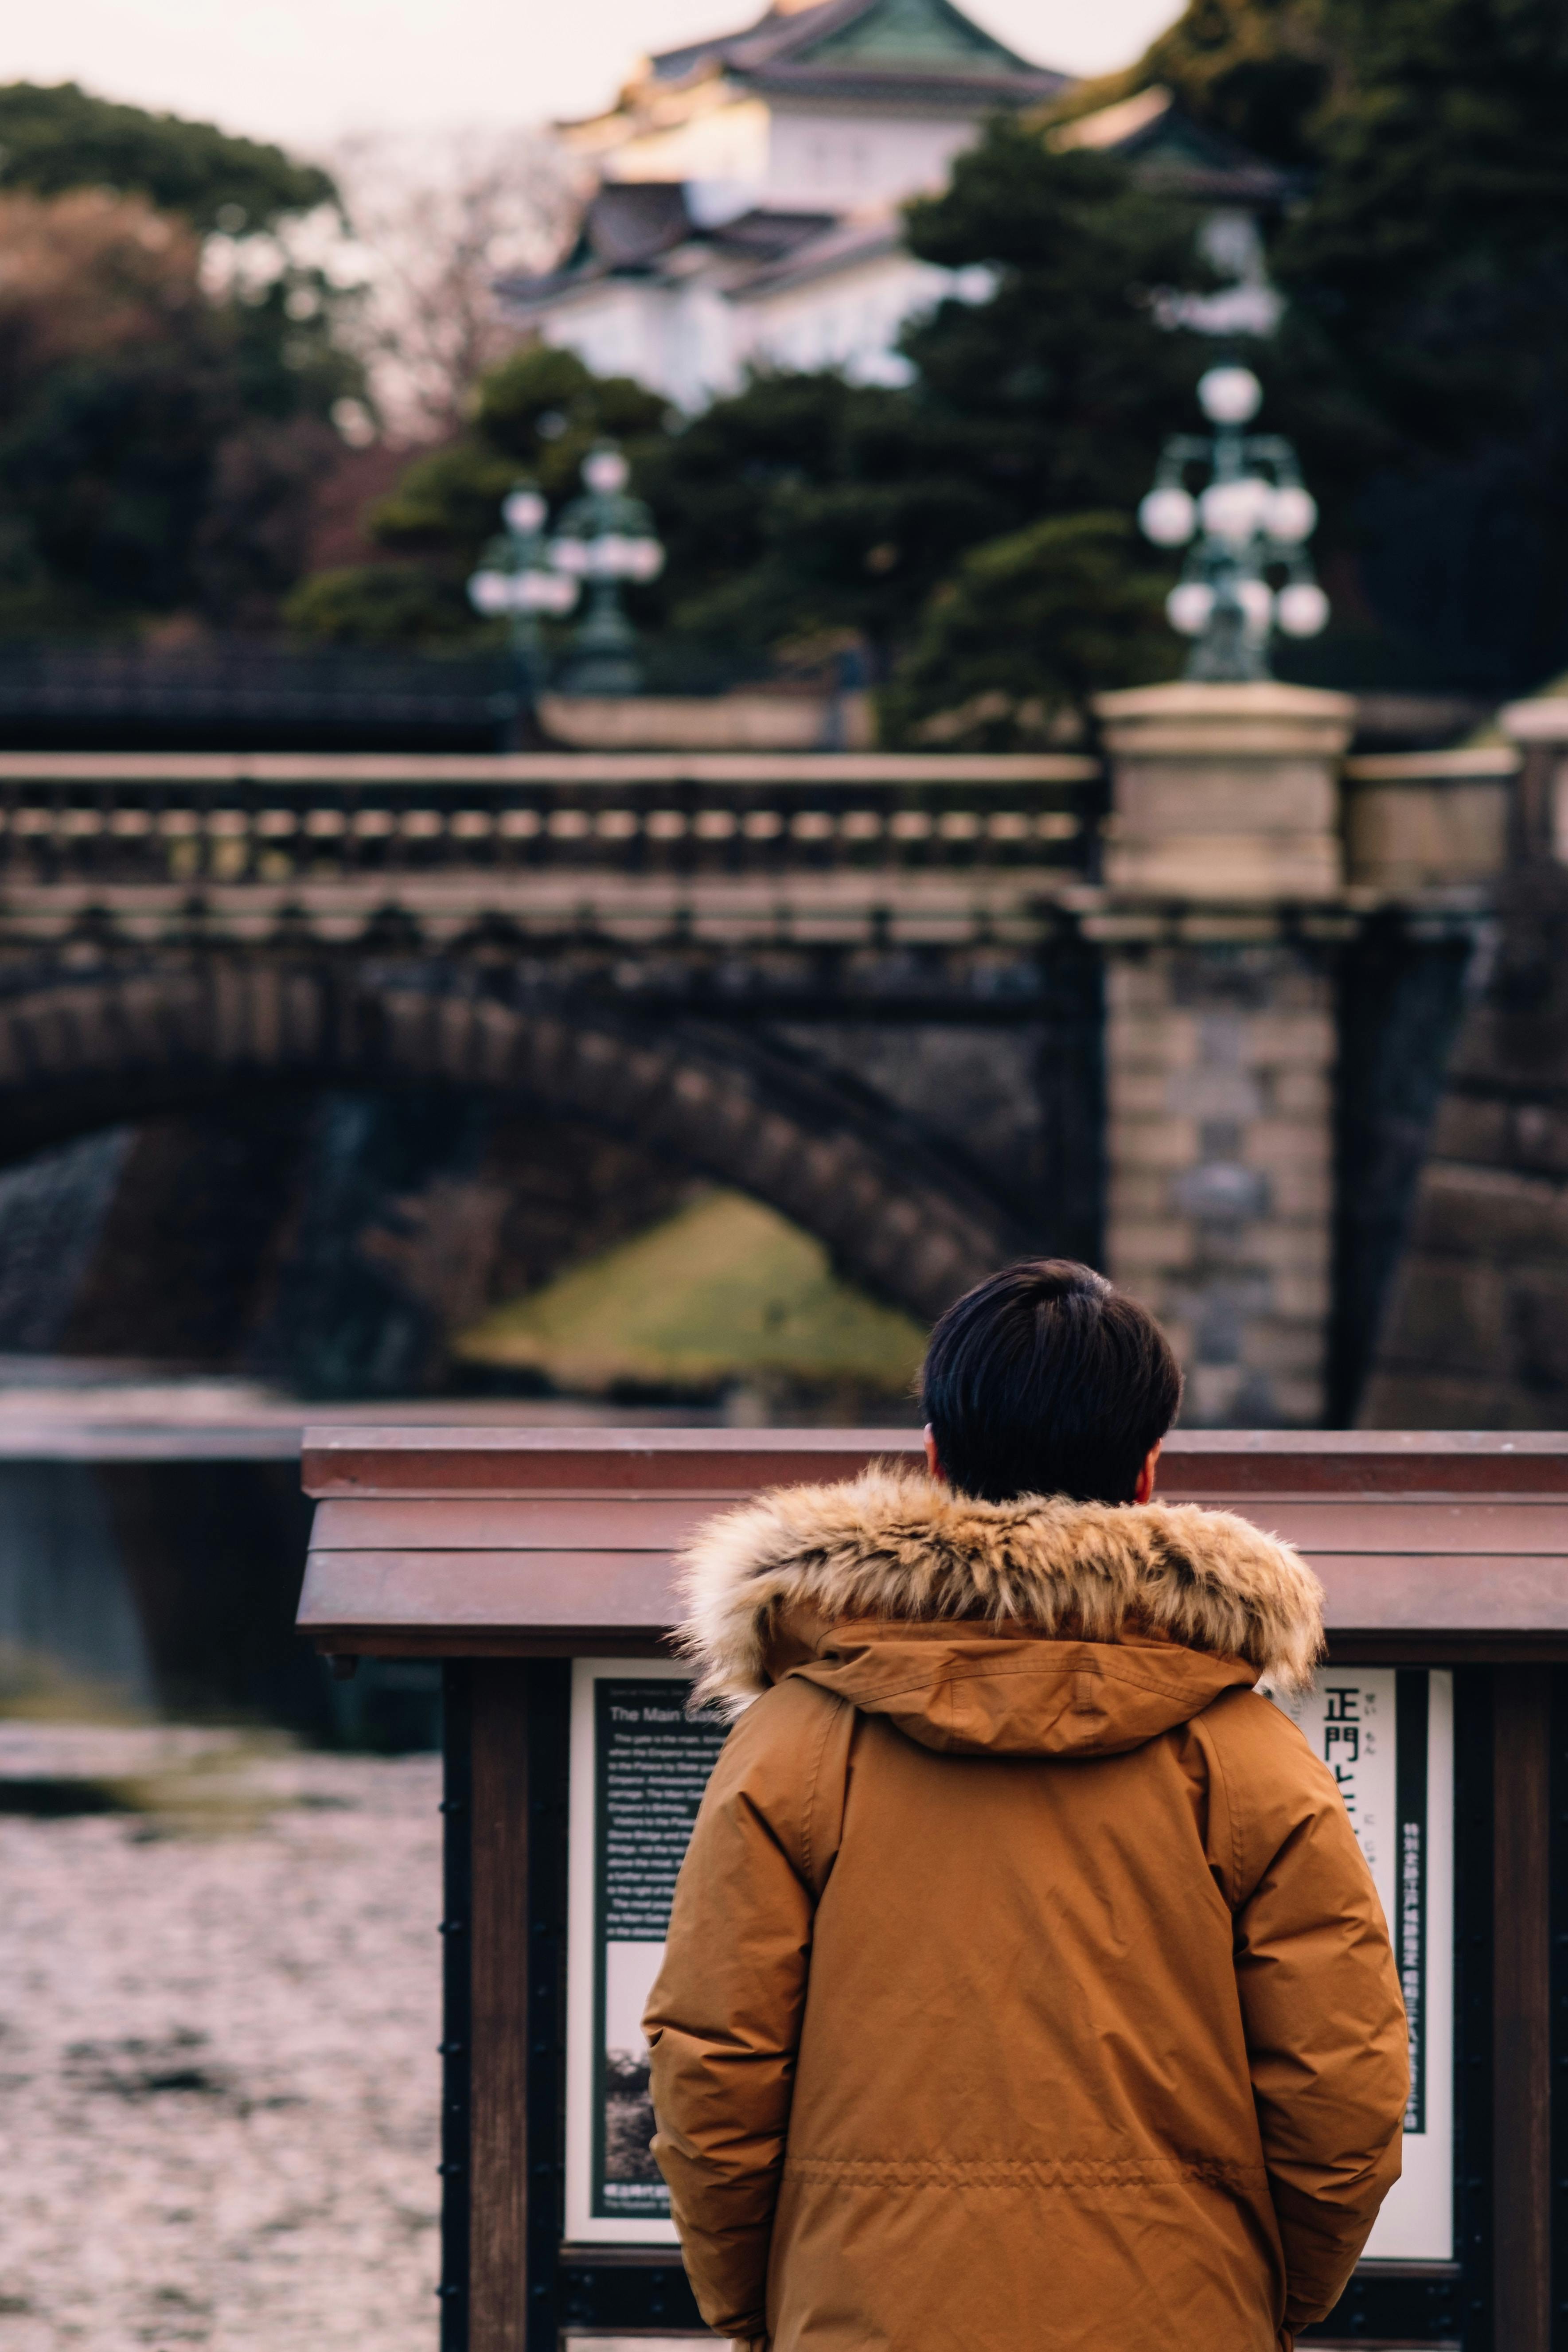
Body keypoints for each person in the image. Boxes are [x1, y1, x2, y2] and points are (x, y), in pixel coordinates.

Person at [643, 1258, 1408, 2352]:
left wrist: (752, 2305)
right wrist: (1263, 2299)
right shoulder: (1249, 1758)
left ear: (932, 1462)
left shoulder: (796, 1744)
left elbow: (712, 2066)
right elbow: (1343, 2090)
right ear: (1147, 1474)